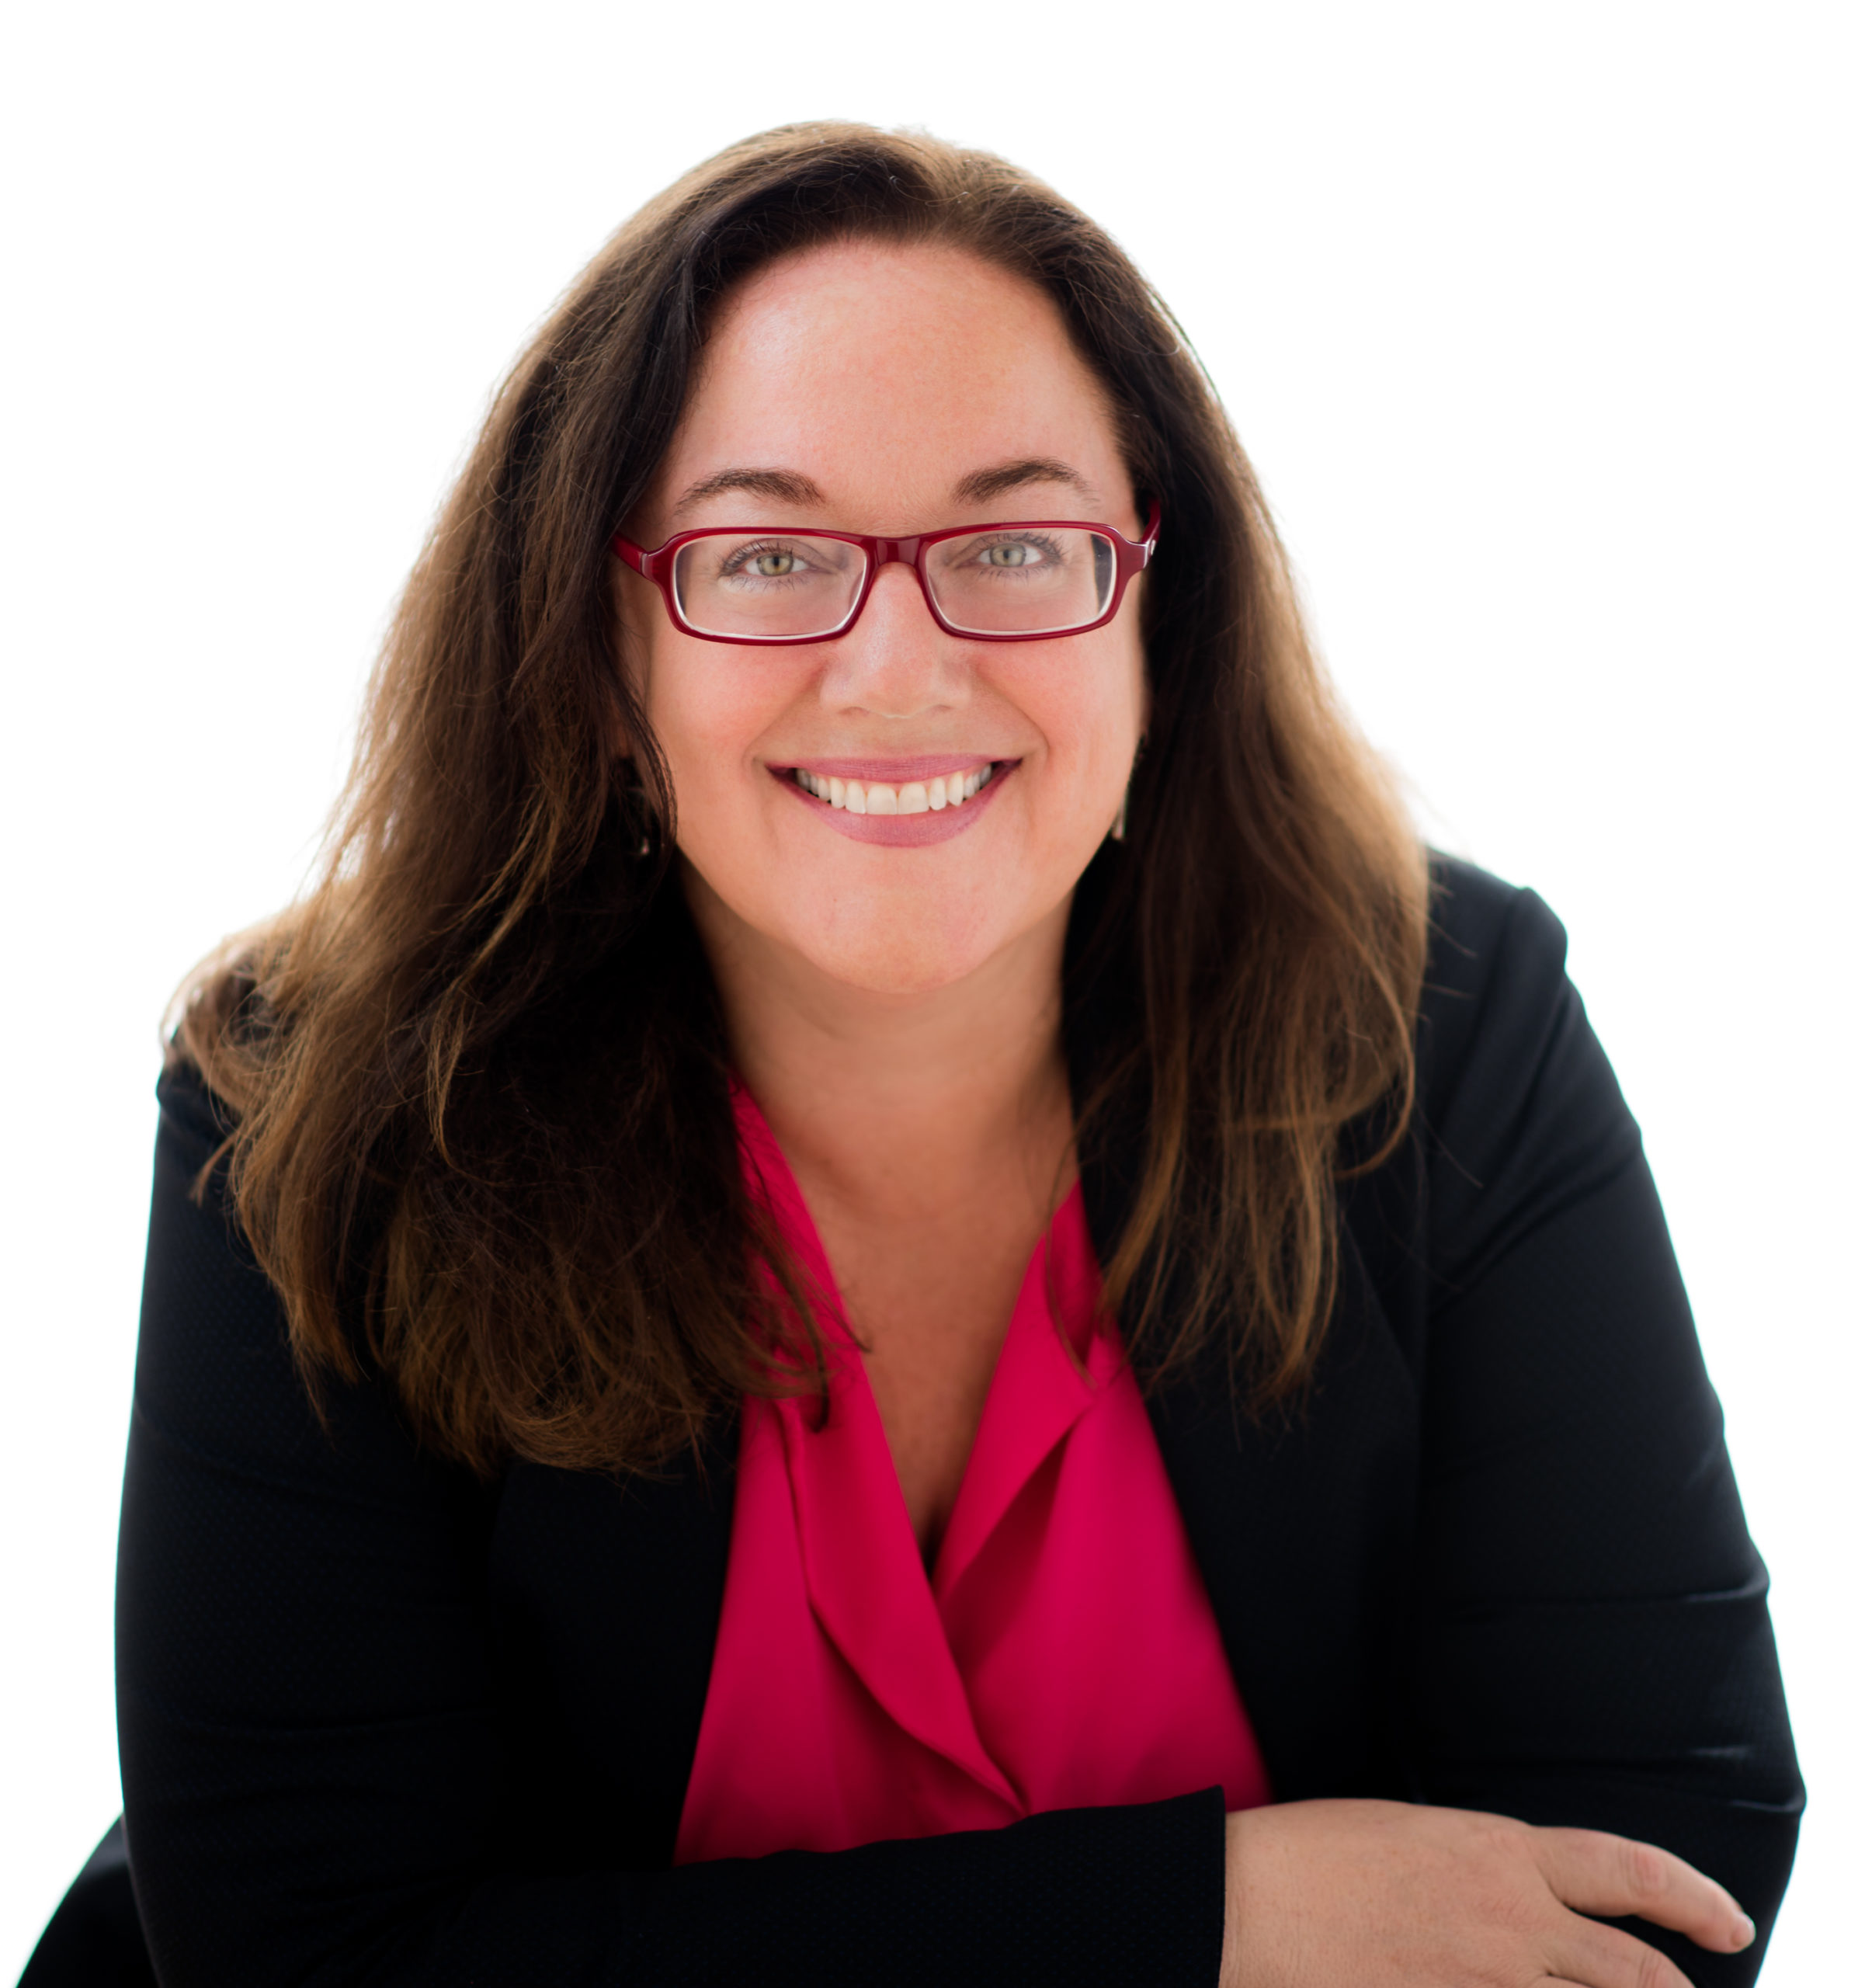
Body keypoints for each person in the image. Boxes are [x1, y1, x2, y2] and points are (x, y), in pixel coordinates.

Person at [24, 123, 1801, 1986]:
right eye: (766, 552)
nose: (895, 666)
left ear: (1158, 614)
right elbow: (315, 1960)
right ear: (603, 650)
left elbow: (1653, 1873)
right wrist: (1212, 1918)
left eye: (1018, 543)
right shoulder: (317, 1106)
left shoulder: (1446, 1028)